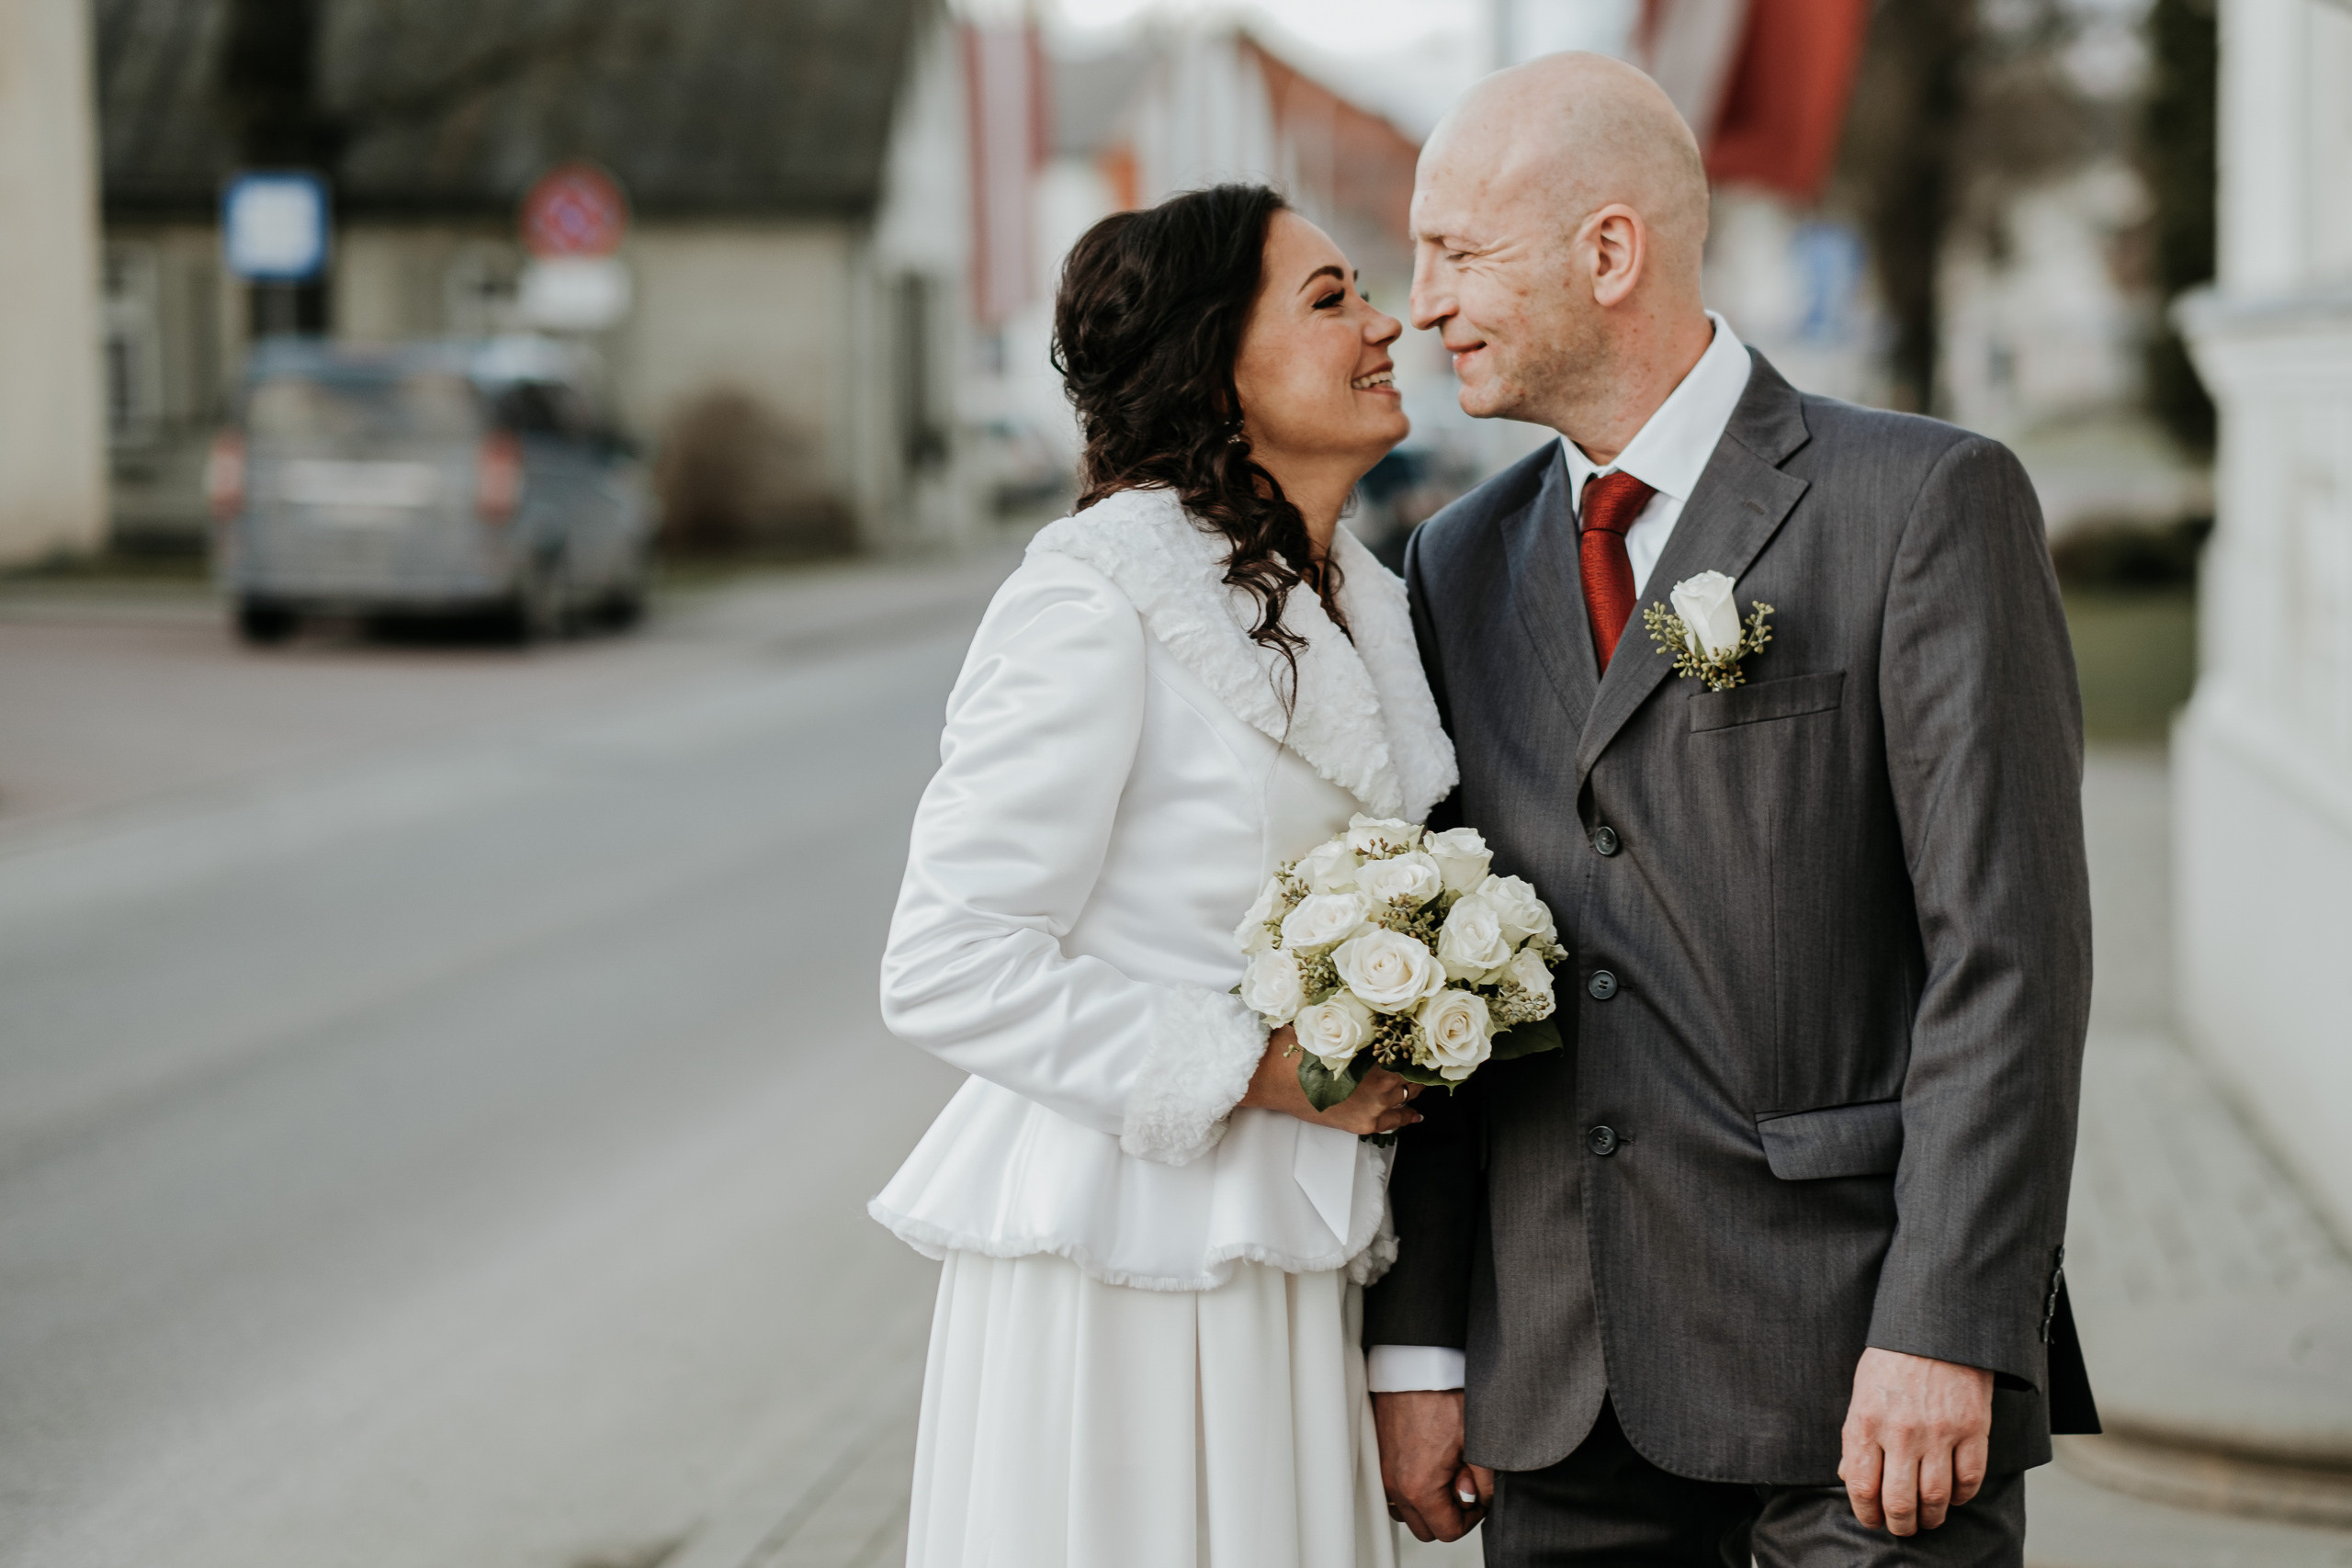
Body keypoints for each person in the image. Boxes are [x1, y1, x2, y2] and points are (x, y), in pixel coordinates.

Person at [1364, 54, 2099, 1566]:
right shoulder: (1453, 563)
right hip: (1563, 1402)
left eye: (1457, 252)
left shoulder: (1922, 506)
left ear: (1610, 251)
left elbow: (2009, 960)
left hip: (1867, 1391)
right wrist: (1424, 1352)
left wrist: (1949, 1325)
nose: (1419, 302)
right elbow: (1440, 971)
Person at [870, 184, 1455, 1568]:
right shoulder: (1095, 596)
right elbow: (946, 965)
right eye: (1329, 301)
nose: (1389, 326)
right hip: (1120, 1260)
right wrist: (1262, 1070)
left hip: (1293, 1251)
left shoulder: (1367, 600)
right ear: (1213, 362)